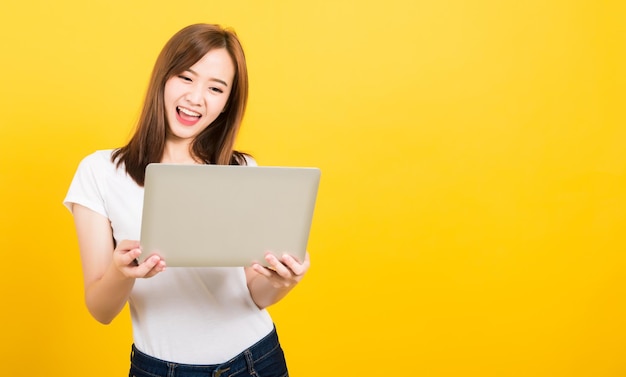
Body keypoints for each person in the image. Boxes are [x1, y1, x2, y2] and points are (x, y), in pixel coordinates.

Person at [63, 23, 309, 377]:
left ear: (226, 104)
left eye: (215, 88)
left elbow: (257, 295)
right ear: (163, 79)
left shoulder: (241, 169)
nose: (196, 97)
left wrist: (282, 279)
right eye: (186, 77)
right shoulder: (100, 171)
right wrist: (121, 272)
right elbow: (101, 310)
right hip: (160, 369)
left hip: (256, 361)